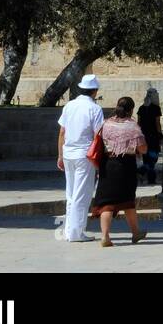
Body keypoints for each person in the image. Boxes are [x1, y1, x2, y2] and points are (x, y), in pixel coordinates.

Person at [90, 96, 149, 247]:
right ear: (131, 110)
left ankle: (105, 236)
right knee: (127, 201)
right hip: (126, 167)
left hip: (108, 165)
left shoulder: (106, 124)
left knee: (107, 203)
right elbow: (143, 148)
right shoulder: (133, 126)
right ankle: (135, 233)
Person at [57, 74, 105, 243]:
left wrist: (60, 155)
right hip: (85, 154)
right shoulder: (95, 109)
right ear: (95, 91)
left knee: (71, 193)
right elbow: (98, 135)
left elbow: (62, 132)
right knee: (82, 194)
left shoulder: (69, 105)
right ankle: (76, 233)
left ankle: (69, 230)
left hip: (69, 152)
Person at [136, 88, 162, 185]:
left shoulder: (141, 108)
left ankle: (147, 175)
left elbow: (138, 123)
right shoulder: (156, 109)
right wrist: (160, 135)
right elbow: (157, 123)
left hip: (143, 136)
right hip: (153, 136)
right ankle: (144, 172)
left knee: (147, 157)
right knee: (154, 158)